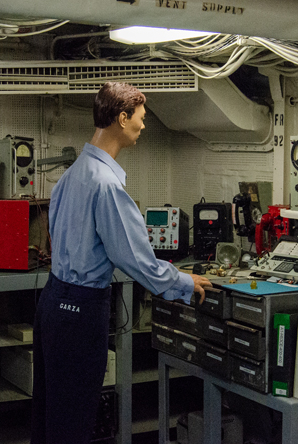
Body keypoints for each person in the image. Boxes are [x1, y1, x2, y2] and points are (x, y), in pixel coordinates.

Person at [32, 81, 212, 444]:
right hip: (81, 312)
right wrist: (182, 282)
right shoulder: (107, 185)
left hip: (52, 303)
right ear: (122, 118)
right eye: (140, 118)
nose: (143, 125)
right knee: (74, 423)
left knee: (50, 416)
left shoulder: (71, 175)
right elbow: (135, 258)